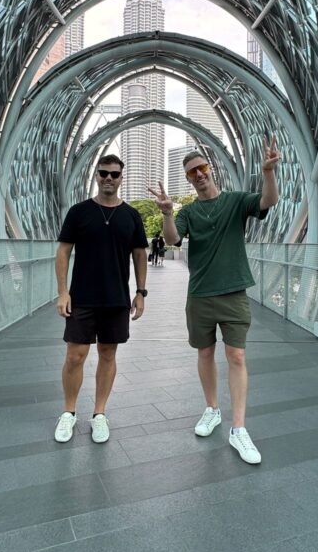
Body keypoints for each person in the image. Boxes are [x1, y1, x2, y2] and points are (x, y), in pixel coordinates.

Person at [149, 138, 280, 464]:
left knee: (236, 355)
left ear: (211, 169)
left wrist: (268, 172)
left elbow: (268, 200)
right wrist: (167, 213)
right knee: (205, 352)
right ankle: (212, 409)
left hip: (233, 292)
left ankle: (239, 428)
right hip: (200, 294)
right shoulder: (189, 212)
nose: (198, 174)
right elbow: (172, 239)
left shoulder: (236, 201)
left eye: (202, 168)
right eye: (191, 172)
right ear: (188, 179)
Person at [54, 154, 148, 444]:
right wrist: (63, 292)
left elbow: (140, 254)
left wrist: (141, 292)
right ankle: (69, 412)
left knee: (108, 354)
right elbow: (63, 252)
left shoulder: (131, 215)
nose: (109, 178)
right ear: (96, 175)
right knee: (75, 355)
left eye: (114, 174)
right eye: (104, 173)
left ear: (121, 178)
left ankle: (99, 414)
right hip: (82, 297)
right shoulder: (79, 212)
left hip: (117, 298)